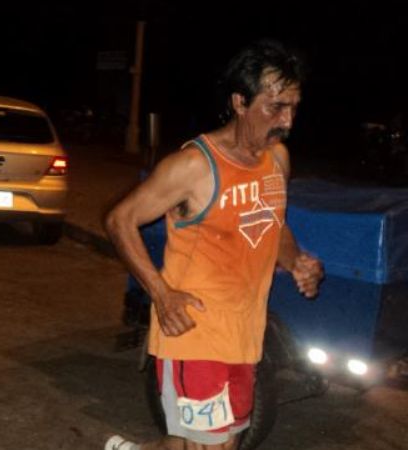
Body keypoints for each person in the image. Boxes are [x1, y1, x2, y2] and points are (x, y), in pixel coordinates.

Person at [104, 40, 324, 450]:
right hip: (194, 331)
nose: (287, 120)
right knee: (212, 447)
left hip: (245, 334)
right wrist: (161, 294)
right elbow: (120, 220)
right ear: (240, 102)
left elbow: (272, 225)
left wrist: (296, 262)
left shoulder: (278, 160)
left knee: (206, 444)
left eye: (294, 106)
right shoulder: (194, 166)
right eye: (275, 107)